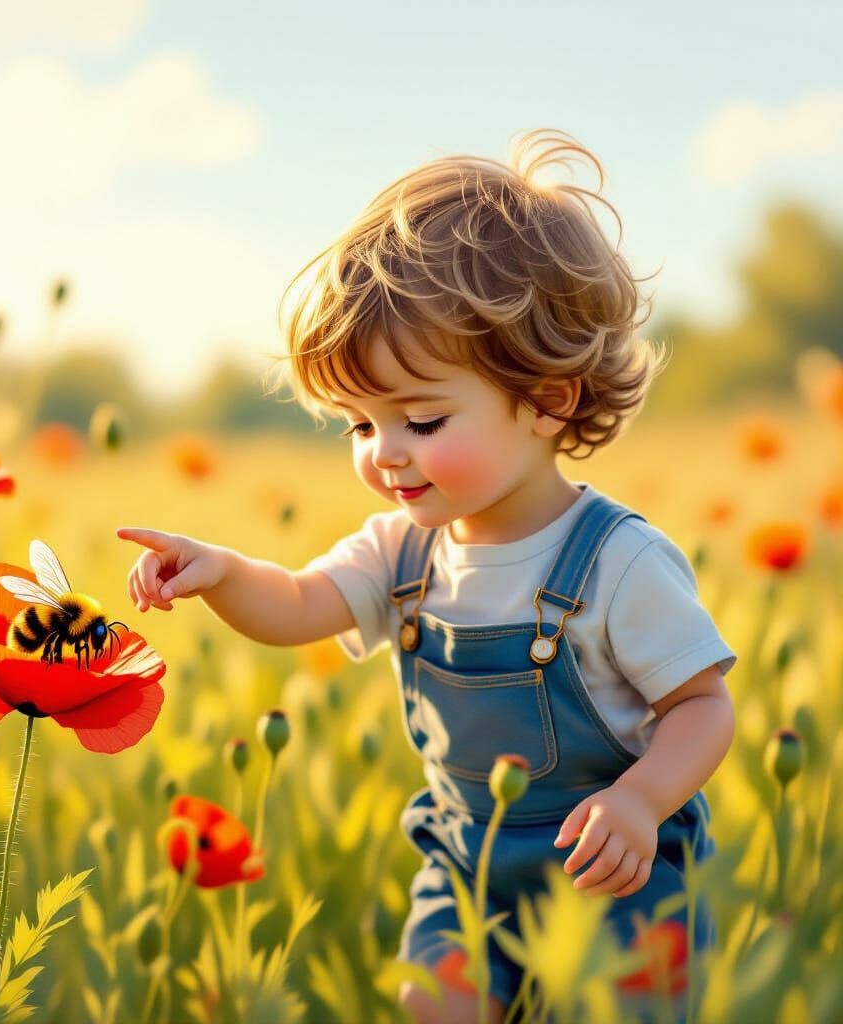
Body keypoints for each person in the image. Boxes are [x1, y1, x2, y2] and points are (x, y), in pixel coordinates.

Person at [116, 129, 736, 1024]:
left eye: (421, 420)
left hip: (611, 875)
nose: (385, 456)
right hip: (464, 870)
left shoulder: (619, 561)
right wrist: (219, 572)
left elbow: (702, 706)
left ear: (547, 400)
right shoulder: (400, 552)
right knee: (432, 1006)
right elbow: (296, 605)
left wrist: (641, 802)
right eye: (361, 425)